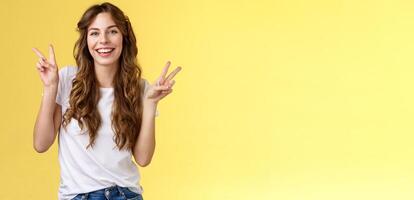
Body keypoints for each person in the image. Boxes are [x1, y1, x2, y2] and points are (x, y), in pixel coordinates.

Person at [32, 2, 181, 200]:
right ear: (86, 40)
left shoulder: (140, 89)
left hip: (126, 194)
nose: (103, 40)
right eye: (94, 33)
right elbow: (41, 144)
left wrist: (151, 103)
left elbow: (143, 159)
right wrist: (50, 87)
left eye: (112, 32)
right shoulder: (67, 79)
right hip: (79, 196)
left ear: (124, 37)